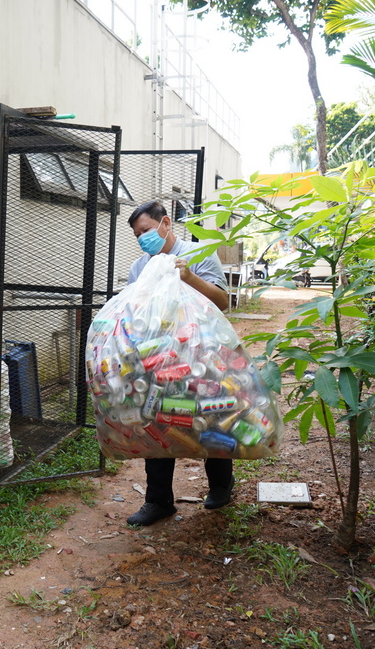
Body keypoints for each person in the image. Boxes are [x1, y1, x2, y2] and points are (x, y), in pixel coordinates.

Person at [124, 199, 235, 527]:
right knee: (158, 421)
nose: (143, 239)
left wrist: (187, 276)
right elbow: (134, 311)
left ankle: (220, 485)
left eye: (145, 230)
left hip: (203, 353)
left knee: (209, 416)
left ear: (166, 223)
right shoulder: (139, 267)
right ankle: (158, 500)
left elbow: (222, 301)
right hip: (158, 357)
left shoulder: (199, 254)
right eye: (137, 235)